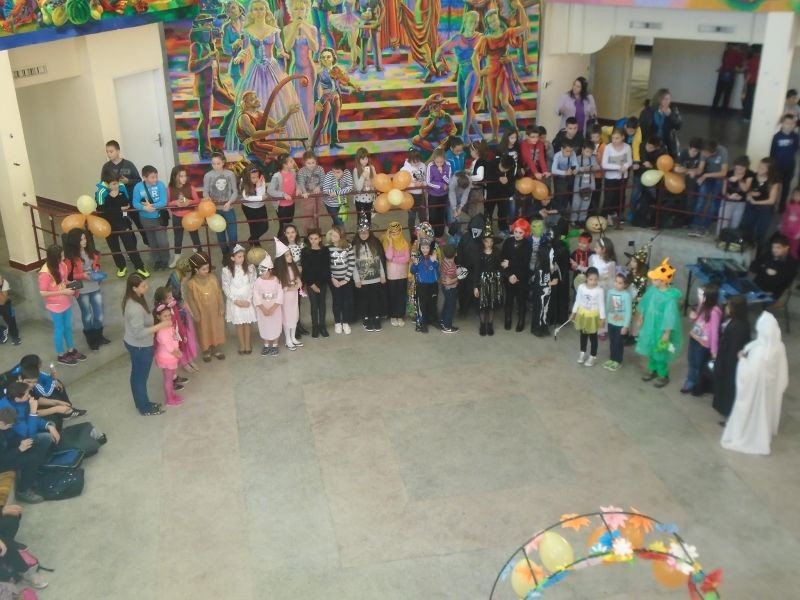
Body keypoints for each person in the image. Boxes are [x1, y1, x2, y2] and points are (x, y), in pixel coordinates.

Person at [721, 311, 788, 456]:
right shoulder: (779, 346)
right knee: (764, 411)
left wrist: (742, 359)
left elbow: (749, 375)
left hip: (755, 390)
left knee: (752, 411)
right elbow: (781, 372)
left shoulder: (760, 350)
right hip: (769, 388)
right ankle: (763, 432)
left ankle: (750, 434)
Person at [472, 7, 526, 142]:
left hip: (502, 71)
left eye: (495, 20)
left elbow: (524, 26)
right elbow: (474, 57)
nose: (493, 23)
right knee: (492, 107)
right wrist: (479, 72)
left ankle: (516, 130)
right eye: (490, 22)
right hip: (490, 74)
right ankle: (495, 136)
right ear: (488, 24)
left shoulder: (507, 33)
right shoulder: (485, 39)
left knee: (505, 103)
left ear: (498, 19)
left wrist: (520, 7)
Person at [122, 273, 169, 415]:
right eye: (143, 286)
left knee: (137, 375)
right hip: (140, 347)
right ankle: (144, 408)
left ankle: (142, 403)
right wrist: (160, 326)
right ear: (134, 288)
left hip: (138, 344)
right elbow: (139, 333)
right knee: (140, 378)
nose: (146, 287)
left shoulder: (136, 298)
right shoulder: (134, 308)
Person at [636, 257, 683, 388]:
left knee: (660, 351)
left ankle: (663, 374)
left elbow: (670, 317)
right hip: (650, 325)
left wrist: (666, 333)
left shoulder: (669, 299)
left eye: (655, 279)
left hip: (661, 329)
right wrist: (641, 316)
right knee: (651, 348)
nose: (652, 281)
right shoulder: (653, 290)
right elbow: (646, 302)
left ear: (662, 281)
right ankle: (653, 369)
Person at [38, 245, 85, 366]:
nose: (64, 257)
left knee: (68, 327)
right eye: (61, 255)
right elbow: (43, 293)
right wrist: (63, 291)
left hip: (66, 302)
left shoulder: (62, 265)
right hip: (55, 306)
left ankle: (71, 350)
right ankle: (60, 355)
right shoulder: (45, 273)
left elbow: (64, 281)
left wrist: (72, 284)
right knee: (59, 329)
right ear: (55, 257)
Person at [63, 229, 109, 352]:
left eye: (85, 238)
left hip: (94, 285)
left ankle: (99, 336)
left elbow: (96, 264)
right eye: (81, 239)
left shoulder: (90, 251)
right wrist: (83, 275)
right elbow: (69, 276)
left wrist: (97, 269)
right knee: (87, 315)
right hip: (82, 289)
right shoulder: (70, 258)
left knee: (99, 313)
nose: (84, 241)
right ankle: (91, 339)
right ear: (75, 241)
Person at [97, 172, 149, 278]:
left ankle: (140, 266)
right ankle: (121, 267)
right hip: (108, 225)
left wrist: (125, 218)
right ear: (107, 184)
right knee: (114, 247)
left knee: (130, 246)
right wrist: (119, 209)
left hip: (122, 223)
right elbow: (102, 210)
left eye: (117, 183)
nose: (117, 186)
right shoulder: (103, 194)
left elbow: (126, 206)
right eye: (114, 184)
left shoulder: (121, 191)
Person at [0, 401, 50, 504]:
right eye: (9, 425)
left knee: (38, 443)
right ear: (1, 423)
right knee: (31, 459)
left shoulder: (5, 426)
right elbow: (2, 460)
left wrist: (22, 441)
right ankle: (23, 491)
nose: (10, 427)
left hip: (7, 451)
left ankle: (34, 474)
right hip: (2, 462)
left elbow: (12, 438)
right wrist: (19, 449)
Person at [712, 295, 751, 420]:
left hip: (730, 364)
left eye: (729, 306)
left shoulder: (737, 327)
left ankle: (728, 413)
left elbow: (732, 350)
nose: (727, 308)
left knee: (728, 388)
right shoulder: (740, 322)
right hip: (730, 361)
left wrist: (722, 364)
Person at [100, 140, 145, 244]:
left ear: (118, 151)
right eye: (107, 151)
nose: (109, 154)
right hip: (119, 204)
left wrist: (128, 181)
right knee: (126, 225)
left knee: (140, 223)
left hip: (132, 200)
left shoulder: (129, 164)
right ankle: (132, 247)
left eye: (111, 151)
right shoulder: (106, 167)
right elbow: (103, 184)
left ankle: (148, 242)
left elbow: (138, 180)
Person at [185, 252, 226, 362]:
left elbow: (219, 293)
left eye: (207, 268)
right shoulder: (191, 284)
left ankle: (216, 348)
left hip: (214, 311)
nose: (207, 271)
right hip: (202, 313)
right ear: (196, 270)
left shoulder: (213, 278)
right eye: (204, 269)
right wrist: (196, 314)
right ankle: (206, 350)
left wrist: (221, 307)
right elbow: (190, 300)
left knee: (215, 329)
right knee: (204, 331)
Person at [681, 283, 722, 396]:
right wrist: (692, 318)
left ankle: (693, 382)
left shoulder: (714, 312)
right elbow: (696, 321)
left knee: (698, 364)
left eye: (701, 295)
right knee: (691, 360)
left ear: (709, 296)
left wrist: (714, 351)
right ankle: (691, 378)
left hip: (703, 343)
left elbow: (714, 332)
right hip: (694, 337)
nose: (699, 296)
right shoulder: (701, 305)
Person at [164, 259, 201, 373]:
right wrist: (191, 312)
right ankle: (184, 362)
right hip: (177, 315)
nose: (185, 278)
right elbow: (180, 301)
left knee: (188, 337)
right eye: (185, 274)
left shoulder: (176, 279)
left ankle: (189, 359)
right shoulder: (174, 286)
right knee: (182, 338)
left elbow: (182, 300)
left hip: (183, 312)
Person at [132, 165, 171, 271]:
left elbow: (164, 201)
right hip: (145, 219)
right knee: (152, 242)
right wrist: (144, 208)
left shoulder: (160, 184)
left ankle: (165, 260)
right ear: (144, 178)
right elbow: (135, 203)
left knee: (163, 242)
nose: (155, 179)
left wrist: (151, 206)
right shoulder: (138, 187)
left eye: (156, 176)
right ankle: (157, 260)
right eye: (152, 177)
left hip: (159, 218)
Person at [351, 217, 386, 332]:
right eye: (361, 233)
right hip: (363, 280)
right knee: (364, 300)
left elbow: (379, 260)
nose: (363, 235)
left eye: (366, 232)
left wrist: (382, 275)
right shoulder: (354, 246)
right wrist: (356, 279)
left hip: (375, 278)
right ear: (358, 233)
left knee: (375, 299)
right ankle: (366, 318)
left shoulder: (375, 243)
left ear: (369, 232)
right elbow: (354, 264)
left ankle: (376, 317)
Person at [221, 245, 256, 355]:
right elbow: (225, 287)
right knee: (239, 324)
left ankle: (248, 344)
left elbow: (253, 284)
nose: (242, 258)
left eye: (243, 256)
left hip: (247, 300)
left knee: (247, 323)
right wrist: (235, 300)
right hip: (235, 301)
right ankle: (242, 345)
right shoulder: (226, 270)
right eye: (239, 257)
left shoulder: (250, 268)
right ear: (232, 258)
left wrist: (248, 299)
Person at [689, 141, 729, 237]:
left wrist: (706, 175)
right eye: (703, 153)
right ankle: (696, 224)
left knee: (713, 203)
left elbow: (724, 172)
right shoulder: (703, 152)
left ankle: (705, 227)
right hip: (706, 177)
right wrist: (693, 171)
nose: (704, 155)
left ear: (713, 152)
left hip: (718, 178)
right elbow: (700, 169)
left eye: (706, 154)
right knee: (701, 200)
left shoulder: (722, 151)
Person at [202, 153, 239, 256]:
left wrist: (229, 202)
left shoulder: (230, 174)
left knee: (233, 235)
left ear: (223, 162)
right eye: (213, 163)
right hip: (214, 211)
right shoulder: (208, 176)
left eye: (218, 163)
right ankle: (225, 254)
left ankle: (233, 254)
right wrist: (208, 198)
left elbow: (235, 191)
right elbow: (205, 192)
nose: (215, 166)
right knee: (220, 235)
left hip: (229, 208)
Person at [167, 166, 202, 268]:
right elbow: (167, 203)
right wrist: (175, 203)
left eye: (185, 176)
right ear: (174, 177)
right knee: (178, 238)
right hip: (177, 217)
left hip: (190, 217)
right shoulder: (169, 189)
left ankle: (200, 256)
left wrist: (189, 202)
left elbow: (198, 200)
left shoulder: (190, 187)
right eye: (181, 176)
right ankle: (176, 258)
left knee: (195, 236)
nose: (184, 178)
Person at [743, 158, 781, 253]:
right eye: (759, 166)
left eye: (763, 168)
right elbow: (746, 190)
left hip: (765, 208)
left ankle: (758, 252)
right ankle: (746, 249)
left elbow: (771, 200)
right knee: (747, 228)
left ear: (769, 170)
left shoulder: (773, 181)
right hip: (751, 206)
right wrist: (750, 194)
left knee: (761, 232)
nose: (759, 169)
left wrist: (756, 202)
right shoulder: (753, 176)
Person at [501, 218, 532, 332]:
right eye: (516, 231)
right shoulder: (508, 242)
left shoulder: (527, 245)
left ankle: (521, 321)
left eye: (521, 232)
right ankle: (508, 319)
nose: (517, 234)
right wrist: (509, 275)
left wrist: (510, 263)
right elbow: (502, 260)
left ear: (525, 233)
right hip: (509, 276)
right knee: (508, 299)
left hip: (522, 277)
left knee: (521, 300)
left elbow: (525, 262)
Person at [473, 222, 504, 336]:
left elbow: (500, 267)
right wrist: (475, 286)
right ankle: (482, 324)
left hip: (494, 281)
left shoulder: (497, 252)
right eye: (487, 241)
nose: (489, 243)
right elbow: (476, 270)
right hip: (482, 281)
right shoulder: (479, 254)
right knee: (482, 304)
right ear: (483, 242)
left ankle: (490, 324)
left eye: (491, 241)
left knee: (491, 304)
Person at [571, 266, 605, 367]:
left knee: (593, 337)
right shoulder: (581, 287)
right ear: (586, 278)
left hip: (593, 316)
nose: (593, 282)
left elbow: (601, 305)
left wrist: (602, 318)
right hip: (582, 314)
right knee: (583, 335)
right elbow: (577, 301)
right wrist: (573, 313)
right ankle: (582, 352)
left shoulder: (599, 290)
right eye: (591, 279)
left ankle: (592, 356)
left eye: (595, 279)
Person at [748, 233, 798, 302]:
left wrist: (764, 267)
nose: (774, 250)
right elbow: (753, 267)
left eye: (778, 248)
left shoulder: (791, 263)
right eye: (773, 247)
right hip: (755, 286)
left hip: (770, 293)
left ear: (786, 248)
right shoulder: (769, 254)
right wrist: (765, 269)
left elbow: (782, 283)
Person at [273, 239, 304, 349]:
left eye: (290, 254)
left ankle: (293, 337)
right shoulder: (280, 272)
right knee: (287, 318)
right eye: (287, 256)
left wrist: (298, 284)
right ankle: (288, 339)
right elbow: (282, 287)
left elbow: (298, 280)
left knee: (294, 316)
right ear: (281, 259)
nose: (290, 257)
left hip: (294, 297)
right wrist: (292, 287)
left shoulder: (293, 268)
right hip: (285, 298)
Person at [153, 304, 184, 407]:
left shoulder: (169, 326)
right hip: (166, 358)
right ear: (159, 317)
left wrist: (177, 348)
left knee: (170, 378)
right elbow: (168, 345)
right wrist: (176, 352)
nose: (168, 318)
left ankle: (171, 395)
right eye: (165, 316)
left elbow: (174, 338)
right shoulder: (161, 331)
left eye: (169, 315)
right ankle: (169, 399)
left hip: (171, 356)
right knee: (168, 379)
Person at [301, 229, 330, 337]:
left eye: (316, 238)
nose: (313, 241)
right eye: (311, 239)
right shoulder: (305, 251)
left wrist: (320, 284)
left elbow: (326, 267)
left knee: (322, 304)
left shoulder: (325, 250)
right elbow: (305, 269)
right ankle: (315, 326)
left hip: (322, 282)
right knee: (314, 305)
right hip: (311, 283)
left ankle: (322, 326)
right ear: (308, 239)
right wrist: (312, 284)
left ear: (320, 239)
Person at [253, 254, 283, 356]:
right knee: (264, 325)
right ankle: (266, 344)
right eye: (260, 271)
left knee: (275, 324)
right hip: (263, 308)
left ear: (270, 270)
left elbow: (280, 294)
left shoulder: (277, 280)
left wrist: (273, 308)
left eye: (264, 271)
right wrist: (263, 308)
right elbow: (256, 295)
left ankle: (275, 344)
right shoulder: (258, 281)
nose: (262, 273)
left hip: (275, 308)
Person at [327, 225, 355, 334]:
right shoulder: (328, 248)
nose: (332, 237)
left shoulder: (348, 246)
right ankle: (337, 322)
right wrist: (332, 278)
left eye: (335, 235)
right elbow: (326, 265)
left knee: (346, 302)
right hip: (334, 280)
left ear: (341, 236)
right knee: (337, 301)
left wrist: (346, 279)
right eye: (331, 235)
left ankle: (346, 322)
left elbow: (351, 262)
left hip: (346, 279)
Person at [639, 89, 682, 157]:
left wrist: (670, 115)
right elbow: (642, 127)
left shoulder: (673, 109)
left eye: (668, 99)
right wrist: (645, 143)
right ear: (658, 100)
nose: (667, 101)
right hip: (651, 141)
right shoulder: (648, 111)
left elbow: (678, 126)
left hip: (667, 142)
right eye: (664, 99)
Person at [770, 114, 799, 213]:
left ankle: (782, 207)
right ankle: (772, 206)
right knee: (776, 187)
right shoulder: (776, 137)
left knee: (786, 188)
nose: (789, 125)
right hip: (777, 167)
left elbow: (795, 149)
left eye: (792, 123)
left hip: (789, 167)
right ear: (782, 124)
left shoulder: (795, 136)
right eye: (787, 123)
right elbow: (772, 152)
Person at [601, 128, 632, 218]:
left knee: (620, 196)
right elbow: (604, 164)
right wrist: (619, 167)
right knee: (609, 197)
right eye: (613, 138)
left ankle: (619, 215)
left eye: (617, 138)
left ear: (623, 137)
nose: (614, 140)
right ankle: (605, 215)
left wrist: (625, 166)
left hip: (623, 176)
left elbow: (629, 161)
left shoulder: (627, 147)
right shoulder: (608, 147)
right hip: (610, 177)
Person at [604, 272, 632, 371]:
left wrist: (626, 326)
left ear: (625, 285)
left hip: (620, 324)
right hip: (611, 322)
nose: (616, 284)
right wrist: (604, 318)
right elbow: (607, 306)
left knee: (618, 342)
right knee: (612, 342)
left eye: (620, 283)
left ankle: (618, 361)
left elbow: (628, 312)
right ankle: (612, 358)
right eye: (616, 281)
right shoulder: (610, 292)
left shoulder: (626, 295)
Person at [411, 237, 439, 333]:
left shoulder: (433, 257)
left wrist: (434, 261)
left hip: (433, 285)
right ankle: (424, 323)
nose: (425, 250)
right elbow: (412, 271)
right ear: (420, 248)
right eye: (423, 248)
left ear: (430, 248)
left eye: (427, 248)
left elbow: (436, 267)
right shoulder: (418, 259)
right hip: (422, 286)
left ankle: (434, 320)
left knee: (433, 304)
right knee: (423, 305)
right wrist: (415, 264)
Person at [719, 156, 753, 235]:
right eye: (737, 168)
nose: (739, 170)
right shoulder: (729, 173)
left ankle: (732, 239)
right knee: (723, 222)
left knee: (735, 223)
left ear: (746, 168)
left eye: (742, 169)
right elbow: (723, 190)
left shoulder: (749, 174)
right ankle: (720, 237)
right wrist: (729, 196)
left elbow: (745, 189)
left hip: (740, 203)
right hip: (727, 201)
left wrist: (739, 180)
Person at [267, 154, 298, 239]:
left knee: (290, 223)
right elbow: (270, 190)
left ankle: (289, 241)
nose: (293, 162)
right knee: (283, 225)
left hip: (291, 203)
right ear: (284, 165)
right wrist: (283, 194)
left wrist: (298, 189)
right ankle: (281, 241)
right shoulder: (277, 176)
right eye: (291, 161)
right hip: (281, 205)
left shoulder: (293, 172)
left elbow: (295, 183)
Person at [297, 151, 326, 233]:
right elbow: (301, 183)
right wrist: (304, 192)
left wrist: (319, 187)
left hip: (318, 196)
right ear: (304, 163)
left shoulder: (320, 169)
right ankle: (307, 234)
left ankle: (317, 234)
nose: (311, 165)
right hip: (307, 196)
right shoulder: (301, 171)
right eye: (309, 163)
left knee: (316, 216)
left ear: (316, 161)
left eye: (313, 162)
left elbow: (324, 180)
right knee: (307, 216)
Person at [485, 155, 515, 233]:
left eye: (505, 169)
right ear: (500, 161)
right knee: (488, 212)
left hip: (504, 193)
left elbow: (511, 178)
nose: (502, 170)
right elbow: (486, 176)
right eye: (501, 167)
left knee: (503, 212)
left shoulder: (512, 167)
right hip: (491, 192)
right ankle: (488, 230)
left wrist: (507, 180)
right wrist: (498, 178)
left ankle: (503, 228)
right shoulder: (492, 163)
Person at [571, 141, 599, 225]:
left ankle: (582, 219)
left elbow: (598, 167)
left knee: (586, 203)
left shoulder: (593, 158)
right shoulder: (577, 158)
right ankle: (573, 219)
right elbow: (574, 169)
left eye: (590, 152)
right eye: (587, 151)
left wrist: (592, 168)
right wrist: (582, 169)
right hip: (578, 185)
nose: (589, 154)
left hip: (589, 185)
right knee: (576, 203)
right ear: (582, 150)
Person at [239, 165, 270, 244]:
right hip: (248, 208)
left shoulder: (261, 179)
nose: (256, 179)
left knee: (265, 227)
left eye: (257, 176)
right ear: (247, 177)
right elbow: (246, 197)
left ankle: (251, 240)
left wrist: (258, 187)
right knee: (253, 227)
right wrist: (260, 198)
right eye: (253, 177)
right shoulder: (243, 180)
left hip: (260, 206)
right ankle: (255, 243)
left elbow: (261, 195)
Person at [426, 149, 452, 239]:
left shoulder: (448, 165)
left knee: (441, 215)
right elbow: (428, 181)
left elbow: (449, 180)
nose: (439, 164)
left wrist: (443, 174)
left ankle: (439, 236)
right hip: (433, 195)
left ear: (444, 159)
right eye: (437, 162)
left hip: (444, 195)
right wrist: (441, 185)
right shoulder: (430, 166)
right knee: (433, 215)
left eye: (441, 162)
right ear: (434, 160)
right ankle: (430, 235)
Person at [711, 43, 744, 112]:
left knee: (718, 92)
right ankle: (724, 110)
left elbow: (723, 62)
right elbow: (738, 66)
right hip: (730, 74)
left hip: (722, 73)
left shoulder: (726, 52)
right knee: (727, 93)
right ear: (736, 46)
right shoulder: (738, 55)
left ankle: (714, 108)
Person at [402, 149, 428, 233]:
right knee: (412, 217)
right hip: (410, 196)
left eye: (418, 161)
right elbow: (402, 184)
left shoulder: (423, 165)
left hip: (421, 195)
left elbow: (426, 178)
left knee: (423, 217)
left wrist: (423, 183)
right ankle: (413, 238)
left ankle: (425, 235)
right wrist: (414, 185)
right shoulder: (404, 169)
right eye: (414, 161)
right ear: (410, 160)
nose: (417, 163)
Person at [322, 159, 354, 226]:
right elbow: (325, 189)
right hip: (331, 204)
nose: (335, 174)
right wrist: (339, 191)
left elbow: (350, 187)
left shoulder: (347, 173)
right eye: (333, 171)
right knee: (340, 224)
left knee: (339, 221)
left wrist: (336, 192)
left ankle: (335, 229)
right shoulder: (329, 175)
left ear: (344, 171)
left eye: (338, 172)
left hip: (342, 203)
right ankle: (338, 231)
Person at [352, 147, 377, 225]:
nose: (365, 161)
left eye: (366, 158)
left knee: (368, 220)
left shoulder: (372, 168)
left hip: (370, 199)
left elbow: (376, 183)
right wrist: (363, 175)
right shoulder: (356, 170)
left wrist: (371, 183)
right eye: (362, 159)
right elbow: (358, 188)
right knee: (361, 221)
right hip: (360, 200)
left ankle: (368, 232)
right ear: (358, 159)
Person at [439, 244, 459, 333]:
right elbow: (448, 281)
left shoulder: (445, 261)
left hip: (444, 288)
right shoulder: (451, 266)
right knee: (451, 307)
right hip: (450, 288)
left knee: (447, 304)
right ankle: (447, 327)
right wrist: (459, 277)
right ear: (456, 254)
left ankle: (442, 321)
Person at [740, 45, 760, 122]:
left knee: (747, 100)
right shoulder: (762, 59)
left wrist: (745, 84)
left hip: (751, 82)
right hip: (757, 83)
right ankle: (750, 116)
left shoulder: (752, 60)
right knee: (751, 100)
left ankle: (746, 117)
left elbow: (749, 73)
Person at [780, 187, 800, 258]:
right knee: (784, 246)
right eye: (795, 195)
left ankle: (792, 261)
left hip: (796, 233)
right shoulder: (789, 205)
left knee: (793, 249)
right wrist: (782, 227)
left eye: (799, 195)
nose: (797, 197)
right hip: (786, 230)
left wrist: (799, 233)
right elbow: (784, 217)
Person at [0, 274, 20, 346]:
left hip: (4, 304)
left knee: (10, 318)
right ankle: (2, 330)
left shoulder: (4, 282)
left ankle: (15, 336)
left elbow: (2, 302)